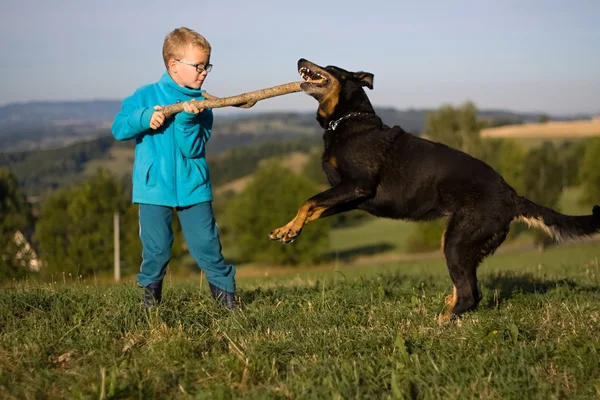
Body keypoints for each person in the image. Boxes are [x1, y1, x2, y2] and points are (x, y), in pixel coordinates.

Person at [111, 27, 236, 309]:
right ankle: (150, 304)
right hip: (153, 187)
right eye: (199, 66)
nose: (204, 72)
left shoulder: (204, 104)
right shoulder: (144, 96)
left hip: (194, 188)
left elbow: (192, 149)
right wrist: (143, 118)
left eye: (207, 66)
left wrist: (187, 120)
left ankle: (227, 304)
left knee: (208, 246)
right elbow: (119, 128)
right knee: (156, 250)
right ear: (174, 65)